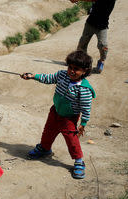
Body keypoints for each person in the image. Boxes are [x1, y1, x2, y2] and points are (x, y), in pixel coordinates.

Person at [21, 50, 96, 179]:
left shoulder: (84, 89)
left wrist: (83, 124)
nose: (71, 71)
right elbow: (48, 78)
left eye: (76, 69)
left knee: (71, 139)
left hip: (69, 118)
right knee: (48, 131)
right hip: (55, 111)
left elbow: (86, 108)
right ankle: (45, 148)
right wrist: (33, 76)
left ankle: (79, 161)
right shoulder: (62, 75)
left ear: (84, 71)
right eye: (70, 67)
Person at [68, 0, 122, 73]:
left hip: (102, 26)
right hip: (90, 22)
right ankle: (82, 63)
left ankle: (101, 60)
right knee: (82, 43)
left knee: (103, 45)